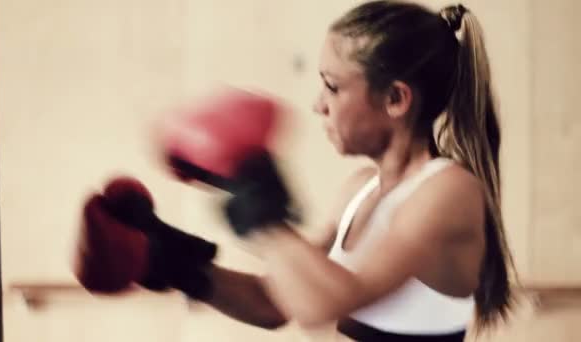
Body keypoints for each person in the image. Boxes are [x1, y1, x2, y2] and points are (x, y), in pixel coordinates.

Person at [73, 1, 516, 341]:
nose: (318, 104)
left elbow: (325, 301)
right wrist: (166, 258)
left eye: (333, 86)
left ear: (396, 100)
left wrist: (254, 198)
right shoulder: (361, 190)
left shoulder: (448, 192)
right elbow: (278, 300)